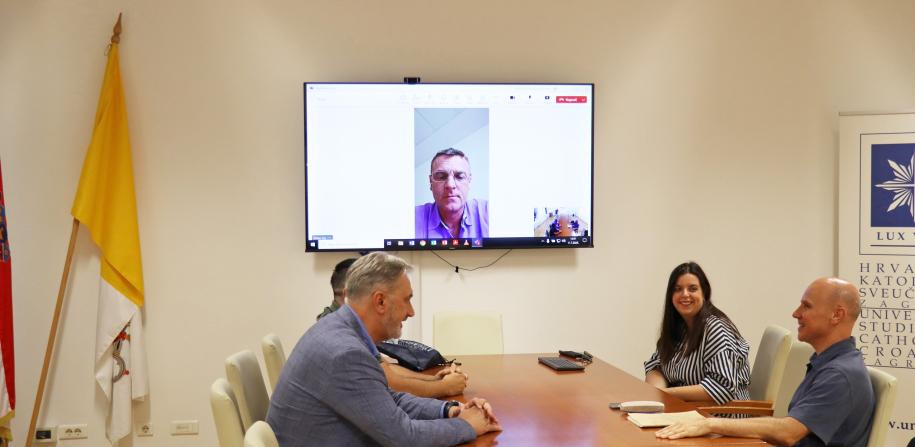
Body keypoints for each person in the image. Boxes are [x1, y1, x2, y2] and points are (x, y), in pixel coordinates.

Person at [268, 252, 501, 446]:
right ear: (380, 302)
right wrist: (467, 425)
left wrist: (451, 409)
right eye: (407, 300)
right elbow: (403, 437)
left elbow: (388, 399)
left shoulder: (340, 328)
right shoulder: (346, 353)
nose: (411, 312)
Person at [656, 277, 875, 446]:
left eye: (806, 306)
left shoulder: (840, 375)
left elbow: (789, 432)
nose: (796, 313)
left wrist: (710, 424)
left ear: (837, 315)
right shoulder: (829, 363)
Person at [317, 257, 469, 398]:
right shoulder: (339, 337)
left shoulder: (351, 325)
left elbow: (385, 368)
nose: (411, 312)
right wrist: (444, 387)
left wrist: (433, 379)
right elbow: (389, 383)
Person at [644, 262, 751, 405]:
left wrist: (666, 394)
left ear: (704, 292)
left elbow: (723, 387)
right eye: (678, 289)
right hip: (683, 408)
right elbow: (656, 366)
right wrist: (657, 394)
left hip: (719, 413)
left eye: (692, 289)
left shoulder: (716, 328)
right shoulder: (678, 326)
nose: (685, 294)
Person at [415, 148, 489, 239]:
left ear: (469, 181)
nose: (450, 185)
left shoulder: (488, 212)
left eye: (460, 176)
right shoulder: (411, 218)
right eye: (441, 177)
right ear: (431, 182)